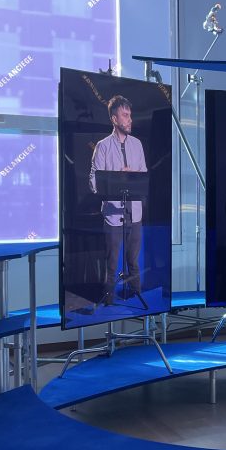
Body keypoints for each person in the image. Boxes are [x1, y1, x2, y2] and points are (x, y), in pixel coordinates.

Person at [89, 94, 147, 305]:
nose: (130, 119)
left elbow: (144, 175)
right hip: (113, 215)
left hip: (135, 213)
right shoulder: (103, 146)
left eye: (130, 115)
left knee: (133, 261)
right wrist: (117, 178)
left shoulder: (137, 144)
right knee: (112, 261)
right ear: (114, 119)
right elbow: (93, 180)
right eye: (125, 115)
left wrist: (133, 176)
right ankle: (108, 300)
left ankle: (136, 297)